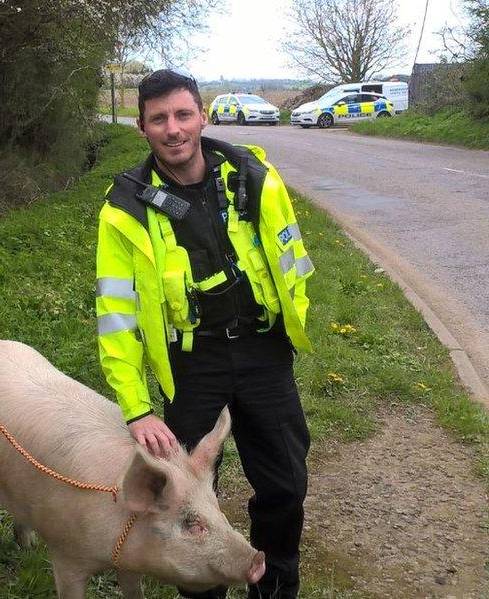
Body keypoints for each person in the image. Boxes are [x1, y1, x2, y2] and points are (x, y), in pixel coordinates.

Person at [95, 69, 314, 599]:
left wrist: (292, 323)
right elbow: (116, 316)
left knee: (285, 484)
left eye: (183, 114)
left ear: (203, 116)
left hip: (264, 353)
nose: (173, 129)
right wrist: (136, 406)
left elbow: (292, 256)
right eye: (158, 119)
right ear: (142, 128)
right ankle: (202, 589)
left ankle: (275, 583)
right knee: (186, 500)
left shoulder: (253, 175)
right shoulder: (124, 209)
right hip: (192, 365)